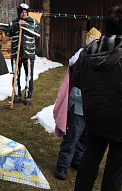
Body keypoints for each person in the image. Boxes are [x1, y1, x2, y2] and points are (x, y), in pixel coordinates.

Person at [73, 4, 122, 191]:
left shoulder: (89, 49)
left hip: (94, 115)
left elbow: (77, 79)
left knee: (90, 159)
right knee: (114, 169)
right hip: (118, 121)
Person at [53, 35, 96, 180]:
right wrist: (86, 47)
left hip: (92, 103)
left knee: (85, 136)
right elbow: (72, 62)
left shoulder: (100, 56)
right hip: (78, 101)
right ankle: (62, 165)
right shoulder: (81, 55)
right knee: (73, 136)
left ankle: (77, 161)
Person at [5, 3, 40, 106]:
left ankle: (28, 96)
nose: (24, 14)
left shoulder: (33, 22)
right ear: (19, 13)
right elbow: (7, 33)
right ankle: (16, 94)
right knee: (16, 75)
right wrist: (17, 25)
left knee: (29, 75)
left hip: (28, 53)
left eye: (25, 12)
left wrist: (25, 25)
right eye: (22, 12)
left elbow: (37, 33)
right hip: (16, 53)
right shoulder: (13, 22)